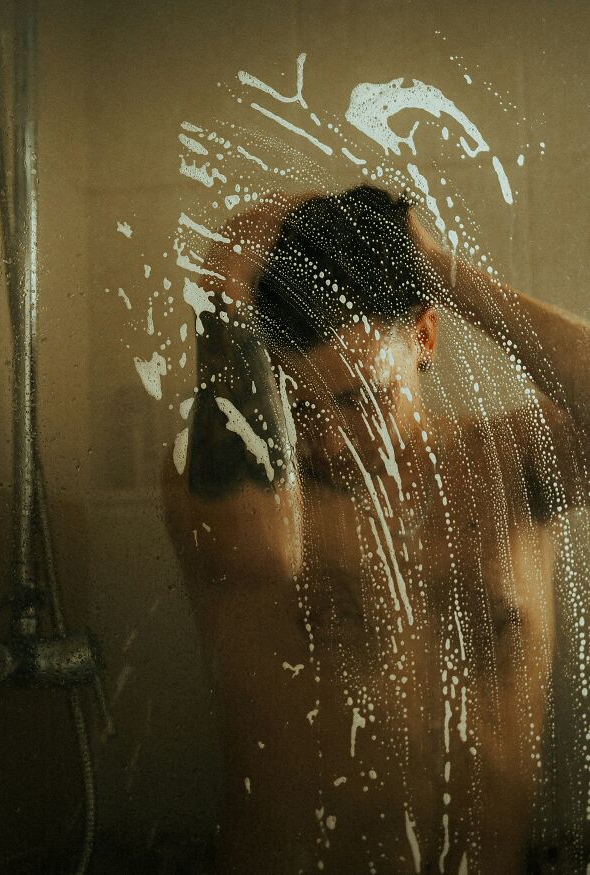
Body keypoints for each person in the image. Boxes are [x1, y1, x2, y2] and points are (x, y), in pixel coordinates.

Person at [163, 184, 589, 873]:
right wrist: (222, 291)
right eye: (299, 408)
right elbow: (256, 553)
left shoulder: (509, 469)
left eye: (363, 400)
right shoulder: (225, 482)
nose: (333, 441)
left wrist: (441, 268)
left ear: (424, 336)